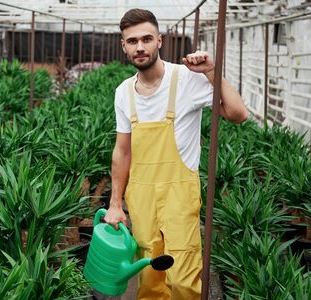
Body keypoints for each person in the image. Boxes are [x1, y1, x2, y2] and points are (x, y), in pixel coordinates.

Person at [104, 8, 248, 300]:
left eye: (146, 38)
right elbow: (122, 151)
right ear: (124, 46)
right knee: (149, 276)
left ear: (160, 40)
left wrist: (211, 71)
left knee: (183, 279)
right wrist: (115, 203)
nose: (140, 46)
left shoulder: (186, 78)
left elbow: (237, 113)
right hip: (141, 196)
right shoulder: (123, 92)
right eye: (132, 41)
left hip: (179, 194)